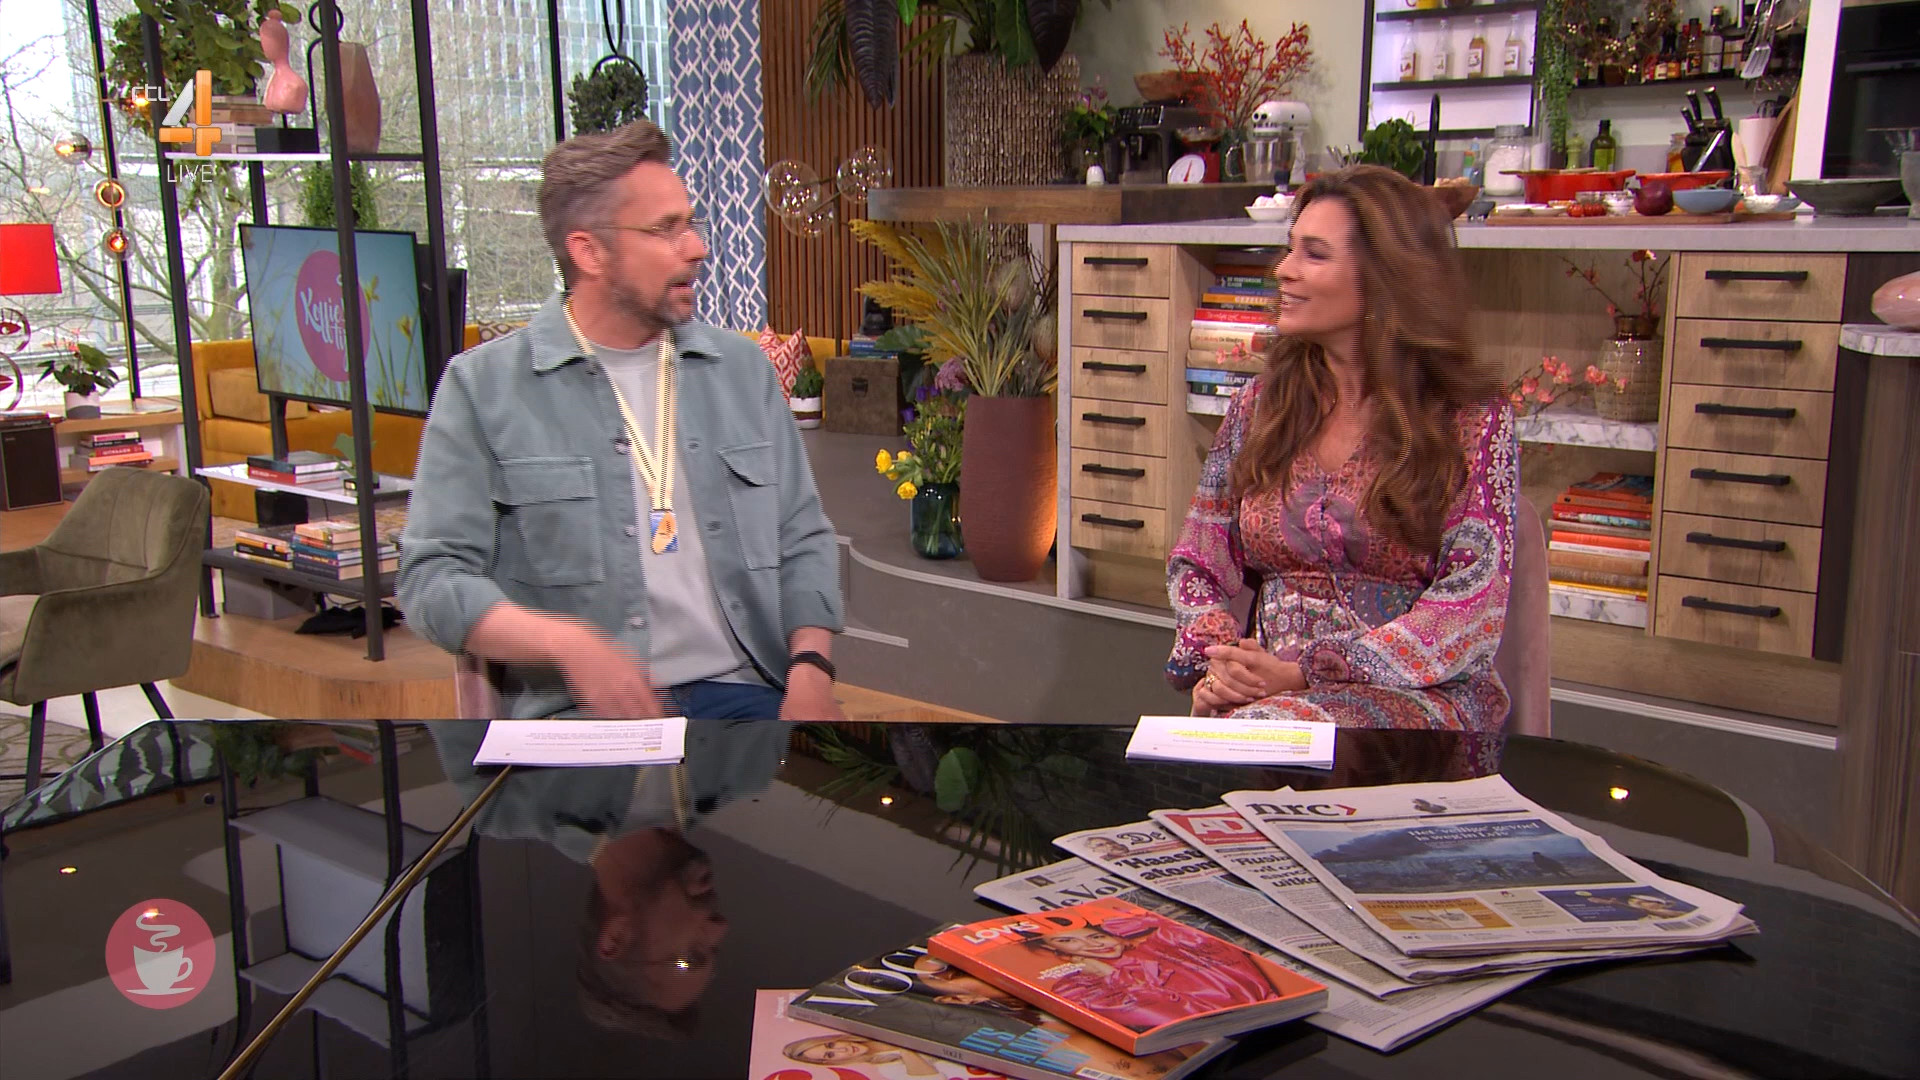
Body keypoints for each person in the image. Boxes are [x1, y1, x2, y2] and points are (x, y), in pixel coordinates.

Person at [398, 119, 845, 721]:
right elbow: (431, 578)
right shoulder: (483, 388)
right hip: (577, 716)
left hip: (747, 693)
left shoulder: (742, 372)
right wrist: (568, 644)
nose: (696, 248)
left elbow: (803, 536)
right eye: (665, 229)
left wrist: (811, 670)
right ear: (589, 251)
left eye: (691, 224)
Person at [1165, 165, 1517, 731]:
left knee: (1266, 728)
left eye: (1314, 254)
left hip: (1420, 699)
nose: (1284, 269)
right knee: (1224, 734)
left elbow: (1466, 608)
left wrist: (1307, 673)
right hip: (1268, 696)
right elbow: (1197, 561)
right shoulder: (1260, 406)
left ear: (1385, 278)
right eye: (1290, 248)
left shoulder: (1472, 420)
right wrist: (1225, 661)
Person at [1027, 917, 1281, 1032]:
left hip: (1271, 1020)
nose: (1093, 945)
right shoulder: (1074, 987)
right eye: (1068, 941)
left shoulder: (1167, 942)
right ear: (1051, 949)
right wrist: (1111, 975)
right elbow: (1173, 1015)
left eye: (1096, 936)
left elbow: (1243, 978)